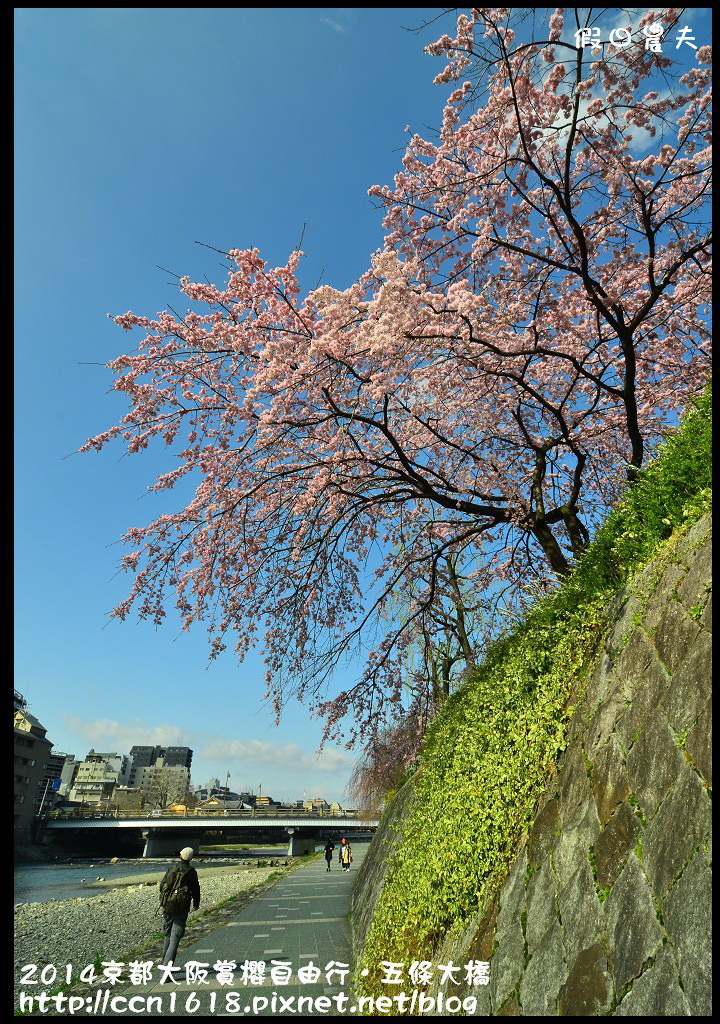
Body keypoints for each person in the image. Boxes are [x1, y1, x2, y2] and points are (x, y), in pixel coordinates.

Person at [159, 847, 200, 968]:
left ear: (180, 856)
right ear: (191, 858)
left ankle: (163, 964)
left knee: (167, 935)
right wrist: (196, 904)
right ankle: (166, 970)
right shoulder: (191, 871)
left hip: (167, 906)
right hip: (182, 908)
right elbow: (195, 890)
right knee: (175, 939)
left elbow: (162, 886)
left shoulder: (172, 868)